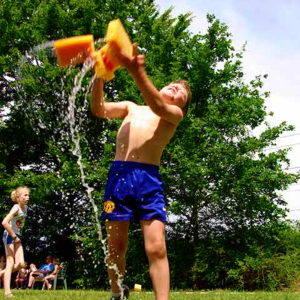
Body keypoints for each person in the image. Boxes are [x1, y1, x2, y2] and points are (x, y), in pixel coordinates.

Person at [91, 44, 191, 300]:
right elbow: (98, 109)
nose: (176, 88)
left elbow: (157, 105)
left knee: (156, 247)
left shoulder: (172, 114)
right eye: (173, 84)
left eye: (181, 92)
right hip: (118, 178)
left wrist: (137, 71)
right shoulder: (130, 107)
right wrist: (98, 76)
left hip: (148, 180)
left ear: (182, 105)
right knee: (116, 246)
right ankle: (117, 294)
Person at [1, 186, 30, 298]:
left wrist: (17, 237)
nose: (27, 197)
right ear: (18, 197)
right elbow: (4, 222)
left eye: (28, 195)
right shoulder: (16, 208)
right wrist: (13, 236)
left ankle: (1, 274)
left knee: (21, 264)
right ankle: (7, 292)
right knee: (10, 263)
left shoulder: (26, 208)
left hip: (17, 236)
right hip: (10, 235)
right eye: (25, 195)